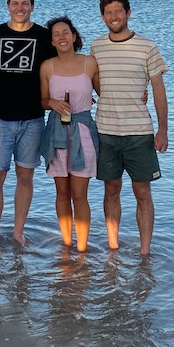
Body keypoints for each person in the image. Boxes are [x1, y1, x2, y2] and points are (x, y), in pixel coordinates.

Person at [90, 0, 169, 256]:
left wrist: (163, 130)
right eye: (108, 12)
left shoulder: (147, 46)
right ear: (102, 17)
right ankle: (113, 248)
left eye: (118, 11)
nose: (114, 17)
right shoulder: (96, 47)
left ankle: (145, 252)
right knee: (111, 189)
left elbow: (158, 89)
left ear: (128, 13)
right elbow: (94, 83)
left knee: (142, 192)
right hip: (105, 130)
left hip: (139, 132)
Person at [0, 0, 55, 248]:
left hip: (33, 118)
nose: (20, 8)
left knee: (25, 177)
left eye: (25, 3)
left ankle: (18, 232)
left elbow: (60, 67)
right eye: (15, 3)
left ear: (32, 6)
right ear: (8, 5)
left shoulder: (44, 36)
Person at [39, 16, 100, 253]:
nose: (62, 37)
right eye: (56, 34)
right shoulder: (47, 66)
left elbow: (105, 91)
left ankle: (82, 249)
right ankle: (66, 244)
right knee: (62, 193)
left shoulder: (90, 63)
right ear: (52, 41)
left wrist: (139, 93)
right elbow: (43, 101)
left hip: (83, 131)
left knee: (79, 194)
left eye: (66, 32)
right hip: (56, 131)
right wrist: (52, 103)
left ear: (74, 36)